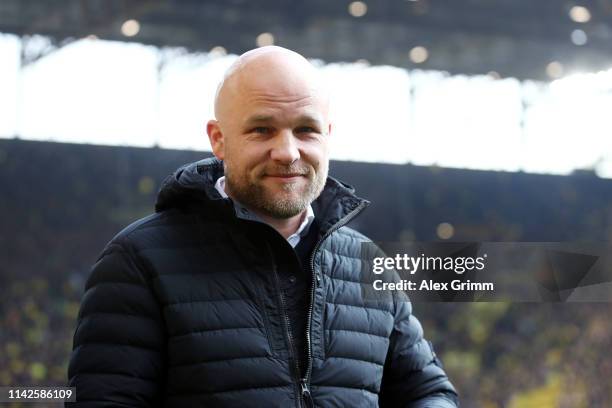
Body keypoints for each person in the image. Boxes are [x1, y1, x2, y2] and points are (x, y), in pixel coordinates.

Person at [67, 46, 458, 407]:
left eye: (306, 130)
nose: (287, 152)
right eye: (262, 130)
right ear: (219, 140)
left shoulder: (366, 262)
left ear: (328, 137)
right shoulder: (138, 262)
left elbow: (428, 392)